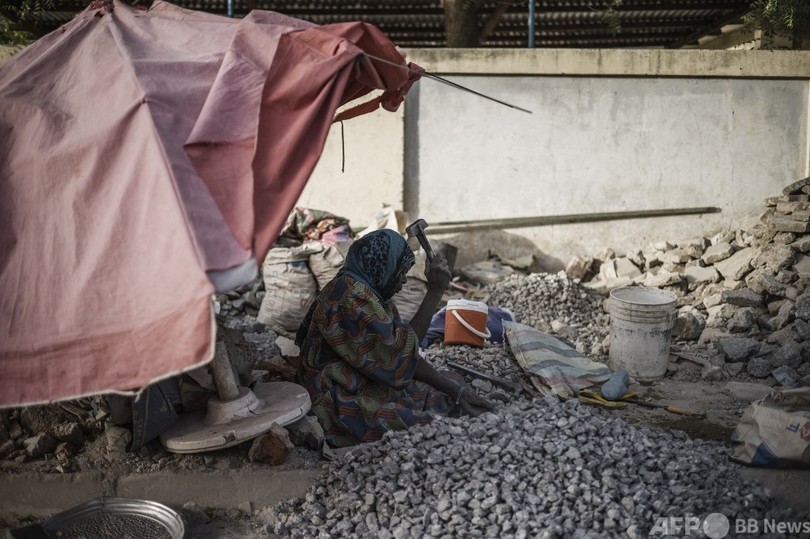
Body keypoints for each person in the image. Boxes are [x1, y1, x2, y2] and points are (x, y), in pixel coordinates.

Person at [294, 228, 495, 448]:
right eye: (401, 272)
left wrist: (453, 389)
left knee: (450, 390)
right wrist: (435, 291)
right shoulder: (351, 297)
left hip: (367, 378)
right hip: (334, 395)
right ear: (383, 265)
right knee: (427, 424)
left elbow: (406, 354)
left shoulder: (372, 291)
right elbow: (399, 356)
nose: (404, 280)